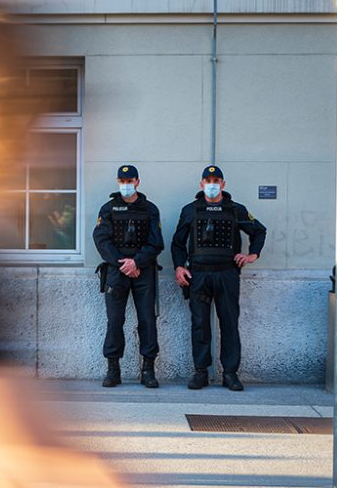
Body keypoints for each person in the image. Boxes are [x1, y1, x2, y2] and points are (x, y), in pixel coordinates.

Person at [171, 165, 266, 391]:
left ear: (223, 184)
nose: (212, 184)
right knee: (200, 324)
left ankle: (230, 374)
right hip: (199, 275)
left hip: (226, 274)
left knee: (229, 323)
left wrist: (252, 255)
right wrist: (178, 267)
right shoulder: (190, 210)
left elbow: (259, 231)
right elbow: (177, 243)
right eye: (208, 180)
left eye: (216, 180)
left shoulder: (235, 209)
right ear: (201, 184)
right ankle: (200, 372)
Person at [92, 164, 163, 388]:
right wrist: (123, 263)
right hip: (116, 271)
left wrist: (137, 262)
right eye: (122, 181)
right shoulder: (108, 208)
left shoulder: (150, 209)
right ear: (118, 182)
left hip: (144, 271)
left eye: (130, 181)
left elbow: (156, 242)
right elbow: (101, 240)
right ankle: (113, 369)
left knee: (147, 320)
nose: (126, 185)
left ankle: (148, 370)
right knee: (115, 321)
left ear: (137, 182)